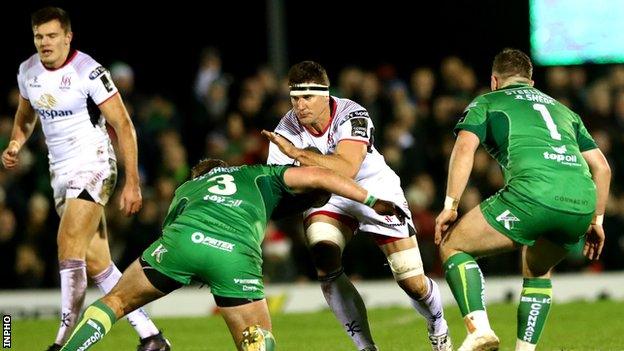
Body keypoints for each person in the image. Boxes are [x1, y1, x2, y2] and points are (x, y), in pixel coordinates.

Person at [59, 158, 408, 351]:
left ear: (202, 175)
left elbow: (171, 228)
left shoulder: (187, 187)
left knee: (116, 302)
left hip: (181, 242)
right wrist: (372, 200)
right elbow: (319, 176)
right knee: (255, 340)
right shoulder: (257, 175)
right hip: (234, 254)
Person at [0, 7, 170, 350]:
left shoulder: (88, 71)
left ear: (67, 36)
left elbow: (123, 124)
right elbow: (25, 115)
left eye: (51, 36)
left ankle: (63, 343)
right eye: (38, 36)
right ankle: (152, 337)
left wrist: (133, 181)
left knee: (68, 246)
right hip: (59, 172)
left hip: (94, 165)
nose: (44, 43)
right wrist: (16, 142)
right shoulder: (27, 71)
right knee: (98, 264)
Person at [264, 61, 452, 351]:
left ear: (325, 95)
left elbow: (348, 168)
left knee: (411, 280)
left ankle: (438, 324)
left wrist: (298, 155)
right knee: (323, 255)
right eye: (294, 98)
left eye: (307, 97)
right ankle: (366, 347)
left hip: (375, 188)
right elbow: (282, 184)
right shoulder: (284, 129)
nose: (299, 106)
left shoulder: (352, 113)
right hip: (329, 196)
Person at [434, 48, 611, 351]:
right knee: (538, 269)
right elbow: (602, 168)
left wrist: (450, 205)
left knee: (453, 244)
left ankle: (479, 330)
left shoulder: (488, 101)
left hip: (533, 196)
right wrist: (597, 221)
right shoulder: (563, 109)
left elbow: (464, 148)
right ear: (531, 81)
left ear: (494, 80)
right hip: (582, 205)